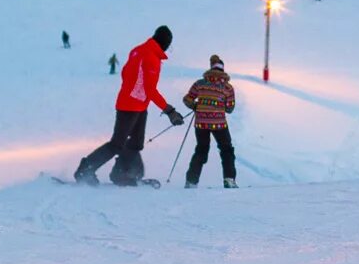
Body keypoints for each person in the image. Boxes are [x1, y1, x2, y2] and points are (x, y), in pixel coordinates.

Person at [74, 26, 184, 186]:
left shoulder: (137, 50)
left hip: (136, 104)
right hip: (130, 106)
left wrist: (132, 91)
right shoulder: (151, 57)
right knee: (116, 144)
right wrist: (170, 111)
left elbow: (125, 73)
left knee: (136, 143)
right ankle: (85, 170)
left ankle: (121, 174)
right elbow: (150, 89)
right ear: (165, 43)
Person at [182, 55, 238, 188]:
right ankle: (229, 180)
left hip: (201, 123)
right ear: (223, 71)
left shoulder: (199, 83)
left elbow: (187, 99)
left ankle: (191, 181)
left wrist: (196, 106)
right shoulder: (228, 88)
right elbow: (230, 108)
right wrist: (218, 105)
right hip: (219, 123)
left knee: (201, 150)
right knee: (226, 150)